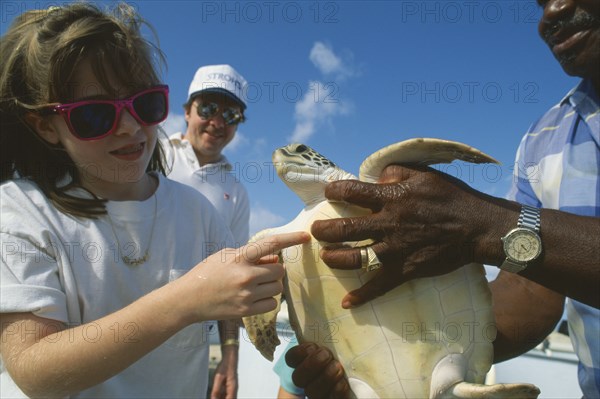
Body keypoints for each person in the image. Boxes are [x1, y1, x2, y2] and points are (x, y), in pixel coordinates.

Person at [287, 0, 600, 397]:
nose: (552, 12)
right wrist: (392, 350)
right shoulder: (544, 139)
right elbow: (533, 289)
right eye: (539, 2)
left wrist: (486, 225)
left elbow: (500, 231)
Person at [0, 4, 309, 398]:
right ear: (46, 126)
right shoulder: (19, 213)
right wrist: (187, 299)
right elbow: (33, 371)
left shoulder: (203, 210)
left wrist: (231, 349)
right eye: (94, 115)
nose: (129, 128)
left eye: (145, 105)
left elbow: (235, 280)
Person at [164, 64, 250, 398]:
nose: (217, 122)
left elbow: (234, 270)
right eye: (209, 108)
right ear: (187, 111)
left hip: (194, 345)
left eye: (231, 114)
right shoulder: (151, 153)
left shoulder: (237, 191)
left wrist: (231, 354)